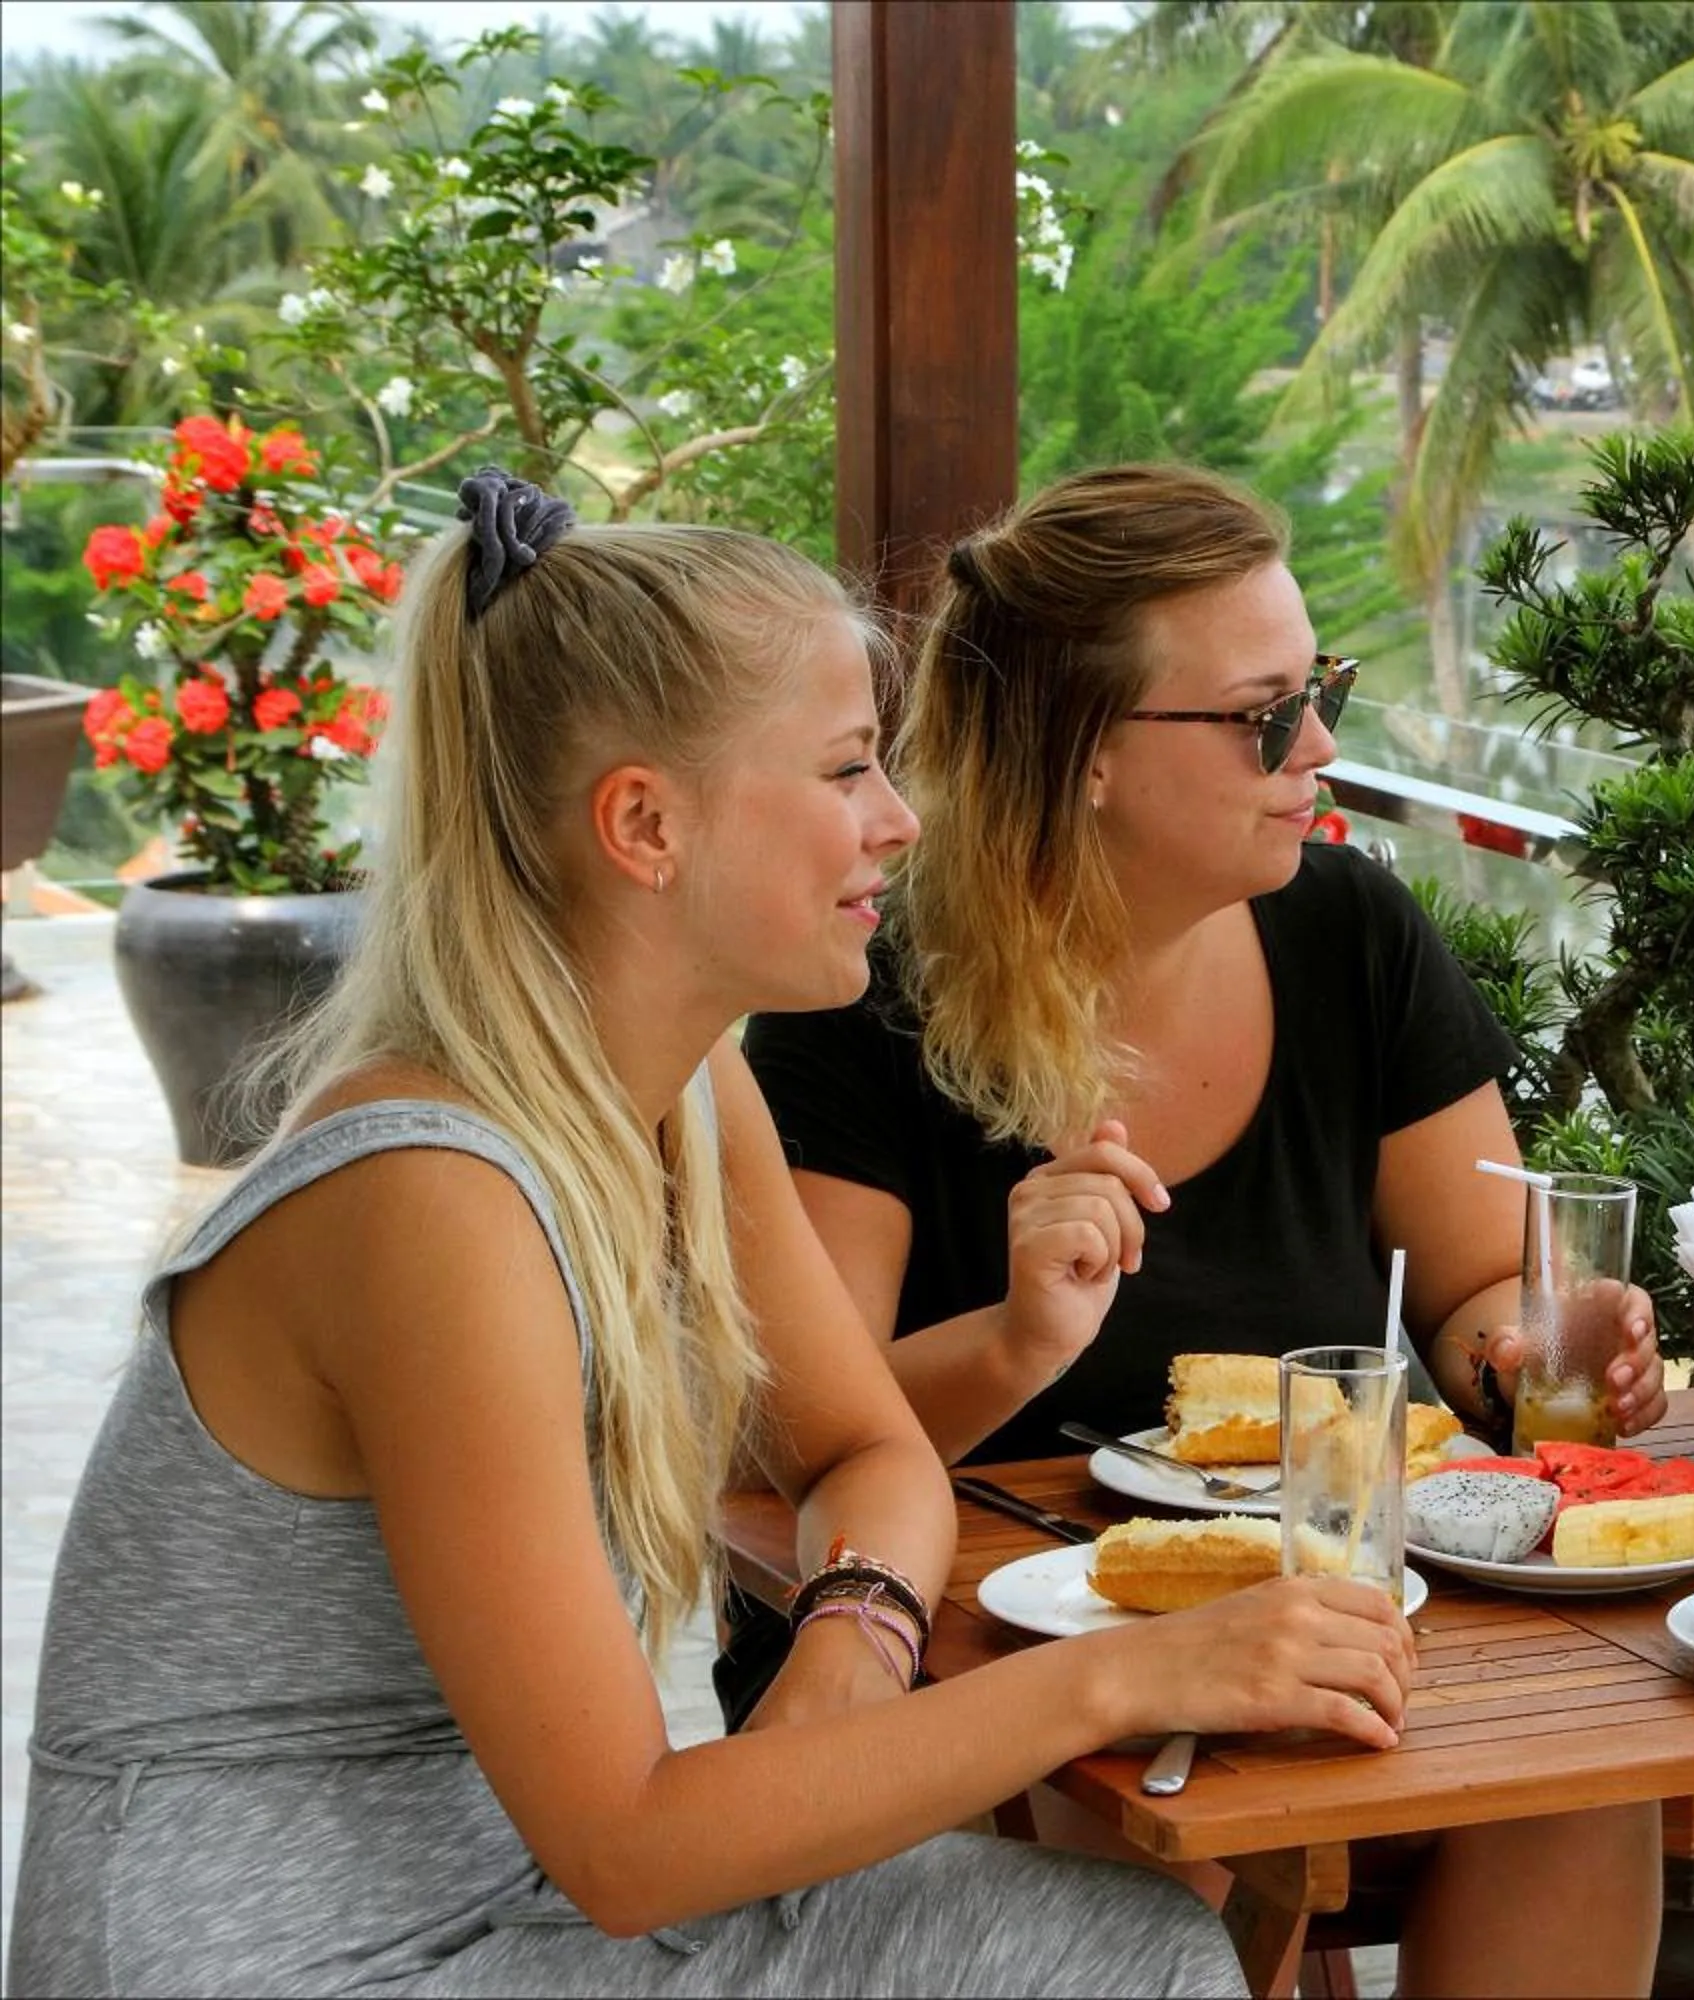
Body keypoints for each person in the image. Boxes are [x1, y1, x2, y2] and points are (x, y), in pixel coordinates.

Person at [8, 475, 1418, 1998]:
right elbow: (629, 1844)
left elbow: (866, 1452)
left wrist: (850, 1642)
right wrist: (1127, 1674)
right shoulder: (429, 1199)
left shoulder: (685, 1098)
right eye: (844, 769)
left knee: (1127, 1948)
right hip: (287, 1953)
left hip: (506, 1895)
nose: (901, 818)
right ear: (646, 825)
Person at [733, 463, 1667, 1996]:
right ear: (1082, 752)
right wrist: (1024, 1338)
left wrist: (1533, 1348)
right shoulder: (865, 1004)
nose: (1318, 750)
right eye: (1260, 715)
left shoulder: (1352, 935)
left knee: (1585, 1771)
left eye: (1324, 691)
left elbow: (1475, 1283)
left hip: (1332, 1593)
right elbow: (784, 1445)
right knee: (1153, 1834)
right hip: (990, 1643)